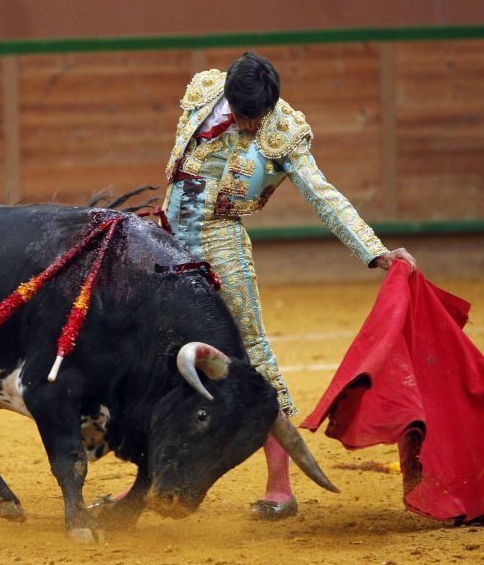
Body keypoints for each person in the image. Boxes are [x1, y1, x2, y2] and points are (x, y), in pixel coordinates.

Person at [160, 52, 416, 520]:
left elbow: (323, 194)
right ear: (228, 98)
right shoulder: (203, 91)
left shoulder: (285, 132)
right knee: (156, 351)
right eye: (244, 115)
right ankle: (146, 480)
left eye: (258, 117)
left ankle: (280, 488)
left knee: (253, 357)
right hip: (165, 239)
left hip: (220, 244)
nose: (251, 125)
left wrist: (374, 250)